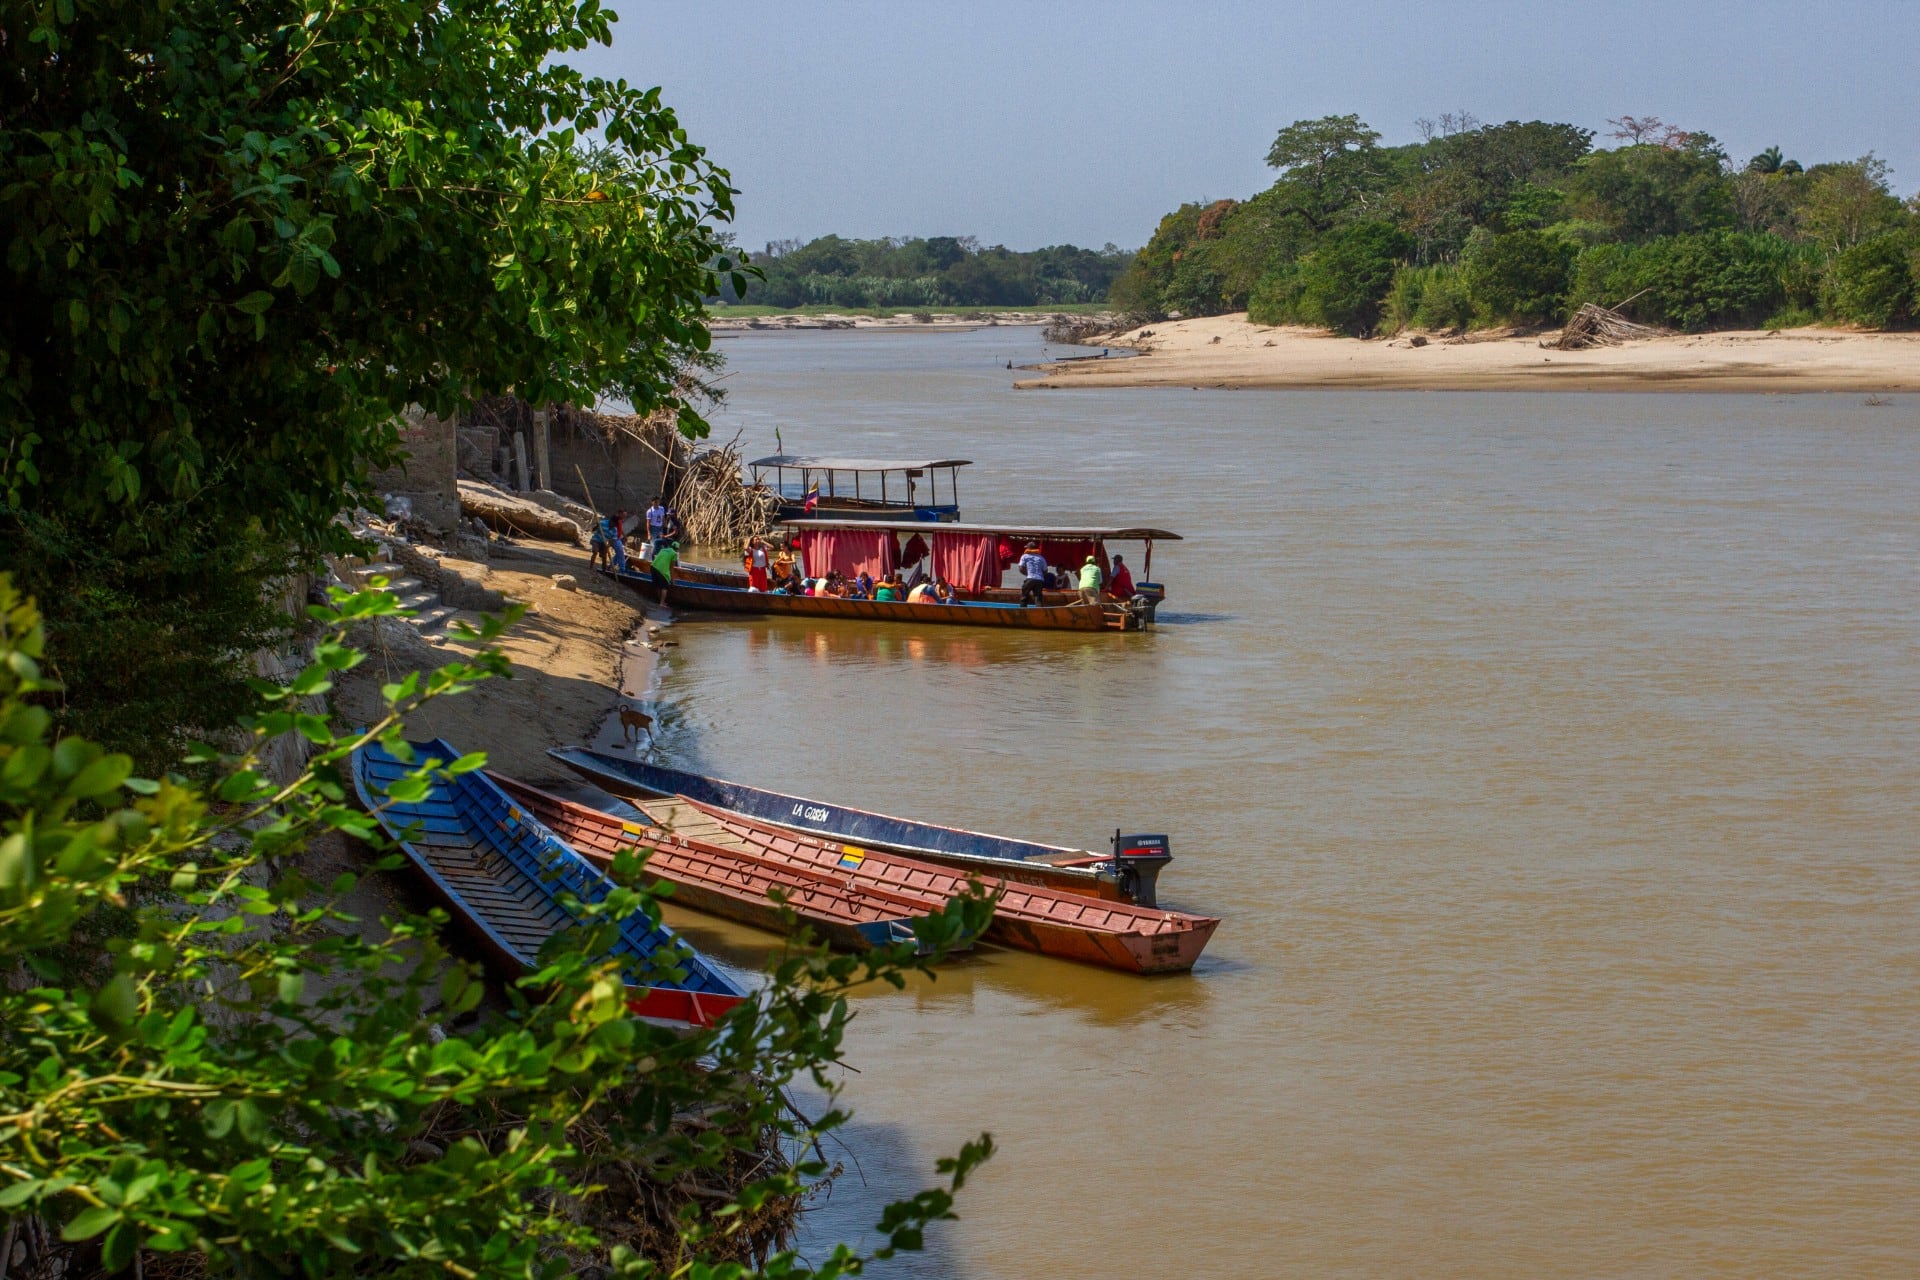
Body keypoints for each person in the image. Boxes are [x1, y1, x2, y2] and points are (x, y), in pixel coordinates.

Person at [1017, 543, 1048, 607]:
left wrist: (1028, 574)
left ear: (1029, 548)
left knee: (1024, 596)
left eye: (1027, 547)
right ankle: (1040, 611)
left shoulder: (1025, 556)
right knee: (1038, 598)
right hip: (1040, 580)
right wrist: (1040, 575)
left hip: (1030, 578)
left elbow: (1021, 568)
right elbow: (1045, 571)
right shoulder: (1041, 558)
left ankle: (1023, 610)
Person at [649, 539, 678, 604]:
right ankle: (662, 603)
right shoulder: (674, 553)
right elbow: (671, 569)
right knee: (664, 587)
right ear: (677, 549)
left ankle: (659, 600)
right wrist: (672, 581)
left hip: (653, 567)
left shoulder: (663, 550)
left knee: (658, 585)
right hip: (661, 570)